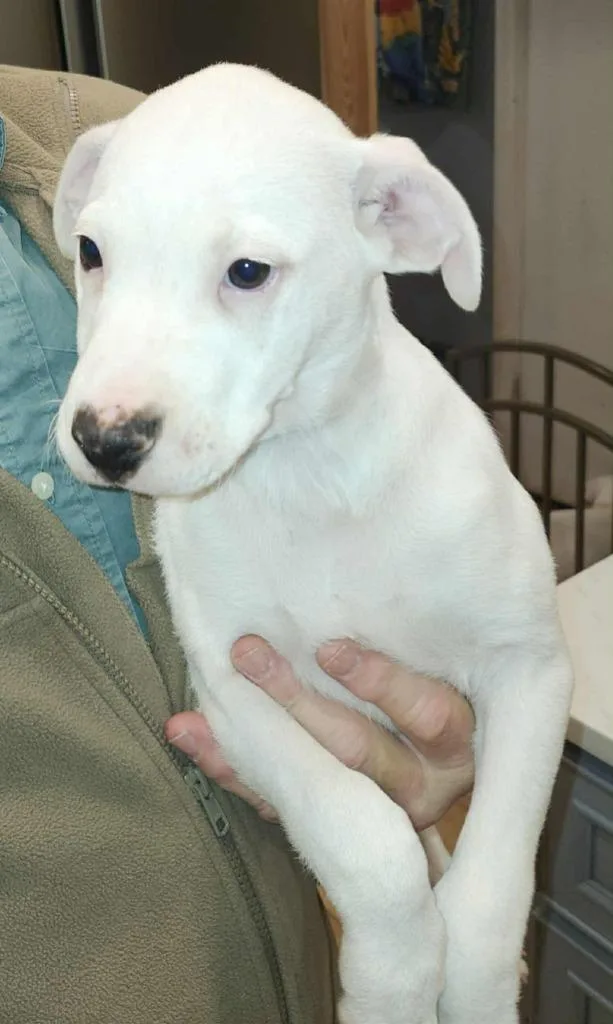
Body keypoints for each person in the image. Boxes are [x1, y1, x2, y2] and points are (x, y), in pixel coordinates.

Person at [0, 64, 474, 1023]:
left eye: (245, 274)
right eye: (96, 257)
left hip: (299, 971)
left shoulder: (130, 134)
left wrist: (419, 748)